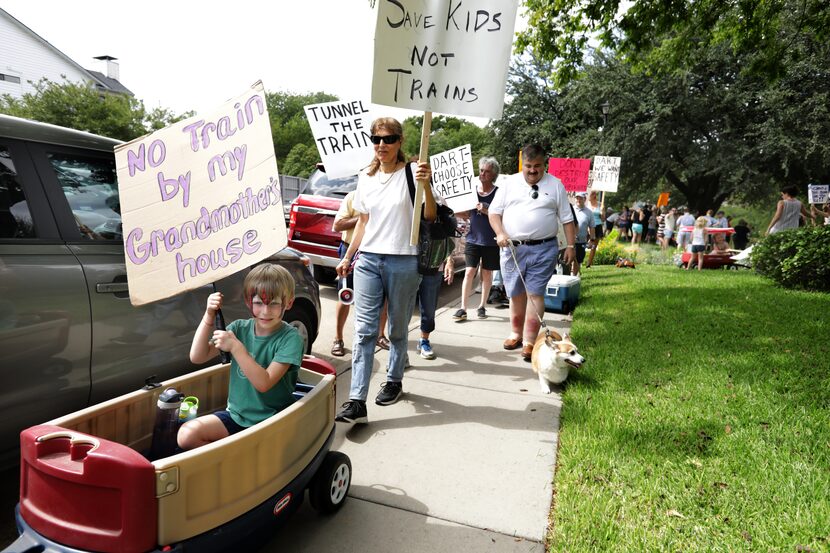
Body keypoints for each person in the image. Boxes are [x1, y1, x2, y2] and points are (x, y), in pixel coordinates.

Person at [334, 117, 436, 424]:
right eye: (376, 139)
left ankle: (393, 380)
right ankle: (356, 400)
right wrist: (349, 256)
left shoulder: (412, 172)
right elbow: (364, 222)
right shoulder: (366, 177)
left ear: (400, 141)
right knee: (364, 331)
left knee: (397, 326)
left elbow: (429, 214)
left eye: (389, 139)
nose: (382, 145)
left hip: (404, 259)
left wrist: (426, 185)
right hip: (368, 260)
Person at [178, 264, 304, 449]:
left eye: (274, 303)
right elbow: (198, 356)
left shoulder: (291, 338)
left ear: (289, 302)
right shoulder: (238, 329)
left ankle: (237, 452)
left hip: (272, 420)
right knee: (186, 435)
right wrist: (209, 315)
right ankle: (236, 452)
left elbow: (264, 383)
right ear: (248, 301)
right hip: (236, 416)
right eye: (259, 303)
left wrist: (237, 348)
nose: (265, 311)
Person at [489, 144, 575, 362]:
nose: (532, 171)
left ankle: (528, 341)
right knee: (515, 293)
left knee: (535, 293)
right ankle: (515, 333)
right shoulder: (509, 184)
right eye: (528, 166)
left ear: (544, 164)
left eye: (537, 166)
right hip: (512, 249)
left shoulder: (556, 185)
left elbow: (567, 218)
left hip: (543, 248)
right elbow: (494, 212)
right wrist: (500, 233)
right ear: (523, 164)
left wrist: (571, 246)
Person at [453, 156, 501, 321]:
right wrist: (453, 209)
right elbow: (465, 214)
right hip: (473, 239)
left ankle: (482, 306)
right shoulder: (472, 192)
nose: (483, 174)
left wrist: (487, 210)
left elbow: (503, 216)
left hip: (491, 241)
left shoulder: (498, 193)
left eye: (487, 172)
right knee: (469, 272)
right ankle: (463, 308)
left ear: (493, 174)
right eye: (481, 170)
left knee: (486, 274)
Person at [415, 255, 455, 359]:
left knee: (429, 307)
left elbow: (448, 240)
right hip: (408, 260)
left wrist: (449, 260)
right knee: (402, 308)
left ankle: (424, 341)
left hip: (435, 262)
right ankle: (398, 350)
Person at [571, 192, 595, 276]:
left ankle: (574, 277)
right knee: (568, 259)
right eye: (577, 198)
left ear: (585, 199)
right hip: (569, 240)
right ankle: (568, 277)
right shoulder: (570, 209)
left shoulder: (589, 212)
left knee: (579, 259)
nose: (578, 200)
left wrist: (592, 240)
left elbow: (592, 227)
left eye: (580, 198)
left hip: (582, 241)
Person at [584, 189, 604, 268]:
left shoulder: (600, 205)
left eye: (590, 194)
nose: (588, 196)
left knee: (594, 246)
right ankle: (580, 260)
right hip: (588, 226)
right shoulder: (586, 204)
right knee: (584, 244)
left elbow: (603, 219)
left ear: (594, 195)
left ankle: (589, 263)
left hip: (598, 226)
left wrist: (602, 212)